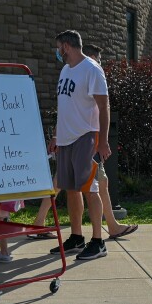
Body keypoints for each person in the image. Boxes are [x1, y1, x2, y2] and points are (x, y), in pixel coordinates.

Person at [30, 44, 137, 241]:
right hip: (84, 141)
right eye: (95, 58)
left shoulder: (87, 76)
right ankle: (96, 233)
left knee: (96, 183)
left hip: (85, 140)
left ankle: (108, 226)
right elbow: (68, 112)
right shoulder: (81, 75)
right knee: (78, 185)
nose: (98, 63)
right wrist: (58, 136)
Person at [48, 30, 111, 260]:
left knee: (89, 188)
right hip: (66, 139)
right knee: (71, 189)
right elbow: (64, 107)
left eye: (58, 47)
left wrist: (102, 140)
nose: (58, 52)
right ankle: (77, 237)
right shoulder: (65, 70)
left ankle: (98, 241)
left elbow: (104, 106)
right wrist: (56, 135)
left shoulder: (92, 69)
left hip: (86, 136)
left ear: (66, 46)